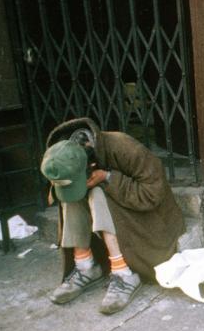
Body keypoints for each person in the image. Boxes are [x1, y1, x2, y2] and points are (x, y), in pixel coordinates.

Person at [40, 118, 185, 314]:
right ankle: (85, 265)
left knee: (97, 192)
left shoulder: (124, 147)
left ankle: (123, 273)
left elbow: (152, 195)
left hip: (152, 219)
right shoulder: (61, 155)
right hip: (118, 215)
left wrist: (108, 178)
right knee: (71, 195)